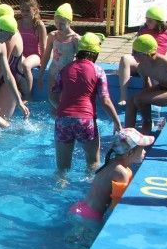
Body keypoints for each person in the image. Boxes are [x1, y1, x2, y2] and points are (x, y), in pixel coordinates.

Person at [49, 33, 122, 174]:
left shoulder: (65, 69)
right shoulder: (98, 70)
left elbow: (52, 95)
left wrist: (62, 110)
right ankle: (92, 187)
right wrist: (117, 122)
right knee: (93, 164)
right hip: (85, 120)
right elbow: (105, 100)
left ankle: (60, 185)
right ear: (96, 53)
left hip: (63, 120)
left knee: (62, 168)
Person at [70, 128, 154, 222]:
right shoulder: (121, 173)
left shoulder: (112, 163)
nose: (145, 152)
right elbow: (115, 207)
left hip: (80, 207)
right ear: (130, 152)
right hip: (90, 216)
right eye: (142, 149)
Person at [117, 5, 167, 106]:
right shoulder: (143, 30)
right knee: (125, 58)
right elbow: (137, 47)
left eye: (150, 21)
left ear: (159, 22)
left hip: (154, 63)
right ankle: (123, 96)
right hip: (141, 62)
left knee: (154, 74)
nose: (147, 22)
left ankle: (152, 101)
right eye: (146, 19)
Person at [0, 4, 31, 120]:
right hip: (9, 79)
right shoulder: (10, 32)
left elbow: (2, 67)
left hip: (10, 82)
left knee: (0, 122)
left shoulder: (8, 36)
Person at [39, 2, 80, 101]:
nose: (58, 26)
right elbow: (46, 56)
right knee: (52, 98)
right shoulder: (53, 36)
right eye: (56, 23)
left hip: (67, 74)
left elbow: (80, 60)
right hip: (53, 72)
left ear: (69, 22)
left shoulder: (75, 39)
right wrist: (41, 74)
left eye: (62, 23)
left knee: (64, 100)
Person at [18, 0, 47, 84]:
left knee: (26, 65)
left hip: (35, 55)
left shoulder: (39, 25)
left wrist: (43, 63)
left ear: (34, 10)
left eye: (27, 10)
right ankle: (19, 88)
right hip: (22, 54)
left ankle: (28, 91)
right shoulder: (18, 23)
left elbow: (43, 46)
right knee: (17, 65)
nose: (24, 13)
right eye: (22, 10)